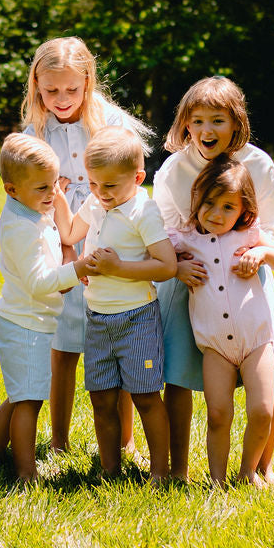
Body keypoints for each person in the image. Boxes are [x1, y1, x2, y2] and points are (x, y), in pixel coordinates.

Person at [152, 76, 274, 486]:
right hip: (189, 274)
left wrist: (254, 256)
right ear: (185, 125)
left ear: (236, 124)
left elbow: (270, 229)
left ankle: (262, 466)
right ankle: (179, 468)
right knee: (178, 370)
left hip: (246, 272)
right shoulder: (175, 168)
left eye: (218, 120)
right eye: (198, 121)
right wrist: (178, 266)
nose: (207, 130)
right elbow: (163, 231)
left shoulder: (258, 164)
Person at [21, 36, 152, 458]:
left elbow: (134, 185)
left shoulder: (112, 123)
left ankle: (125, 439)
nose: (61, 98)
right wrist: (58, 250)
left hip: (112, 245)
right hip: (58, 246)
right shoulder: (35, 132)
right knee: (63, 345)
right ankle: (59, 441)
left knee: (120, 338)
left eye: (71, 90)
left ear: (88, 82)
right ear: (37, 85)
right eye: (51, 89)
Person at [53, 126, 177, 481]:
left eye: (110, 186)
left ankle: (160, 472)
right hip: (97, 318)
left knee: (145, 396)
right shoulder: (96, 202)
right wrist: (62, 200)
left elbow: (167, 265)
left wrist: (117, 267)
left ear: (137, 177)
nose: (100, 193)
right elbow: (71, 234)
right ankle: (109, 471)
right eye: (93, 184)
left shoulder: (143, 211)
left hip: (136, 318)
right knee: (102, 397)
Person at [0, 134, 92, 481]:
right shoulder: (21, 228)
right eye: (42, 188)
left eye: (55, 185)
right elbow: (39, 282)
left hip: (32, 322)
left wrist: (55, 201)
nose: (52, 195)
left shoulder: (32, 211)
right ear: (12, 190)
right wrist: (78, 270)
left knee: (21, 394)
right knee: (29, 400)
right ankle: (26, 471)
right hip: (24, 325)